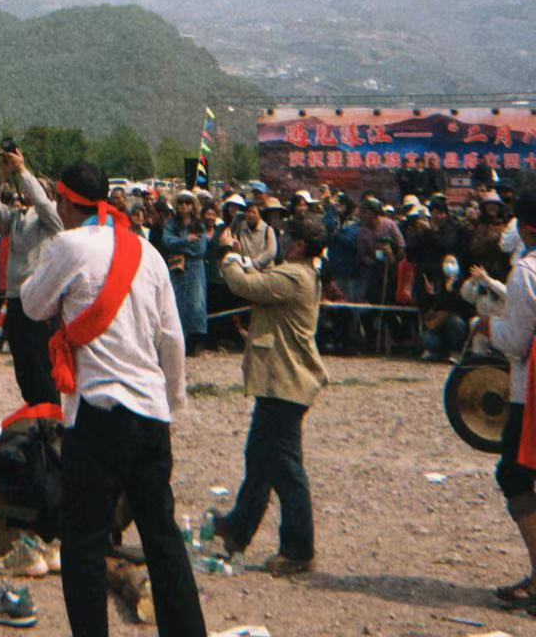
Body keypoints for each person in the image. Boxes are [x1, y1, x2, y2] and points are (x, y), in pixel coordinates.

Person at [21, 160, 205, 637]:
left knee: (83, 540)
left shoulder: (68, 246)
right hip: (150, 413)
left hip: (98, 412)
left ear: (63, 202)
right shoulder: (147, 252)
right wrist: (172, 400)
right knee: (161, 536)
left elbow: (32, 304)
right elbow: (172, 339)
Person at [213, 214, 328, 575]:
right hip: (279, 382)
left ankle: (299, 549)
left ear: (297, 246)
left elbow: (243, 285)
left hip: (286, 383)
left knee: (286, 468)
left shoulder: (294, 276)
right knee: (260, 459)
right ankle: (238, 529)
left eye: (286, 236)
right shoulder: (300, 273)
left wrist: (230, 254)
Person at [474, 190, 536, 612]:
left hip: (530, 393)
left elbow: (516, 341)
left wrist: (485, 325)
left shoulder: (526, 272)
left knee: (514, 475)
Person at [0, 145, 63, 406]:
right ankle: (34, 413)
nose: (29, 190)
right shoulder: (15, 218)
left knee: (42, 362)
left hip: (41, 300)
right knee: (23, 362)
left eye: (38, 187)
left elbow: (41, 202)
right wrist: (2, 176)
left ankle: (51, 415)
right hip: (16, 298)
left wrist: (24, 171)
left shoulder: (52, 218)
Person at [162, 192, 209, 351]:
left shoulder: (199, 224)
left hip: (195, 268)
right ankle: (180, 340)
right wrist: (186, 241)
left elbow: (200, 249)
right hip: (177, 267)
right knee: (177, 302)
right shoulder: (172, 224)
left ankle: (194, 342)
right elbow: (166, 241)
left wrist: (180, 246)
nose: (183, 206)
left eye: (187, 203)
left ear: (192, 206)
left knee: (196, 304)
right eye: (180, 202)